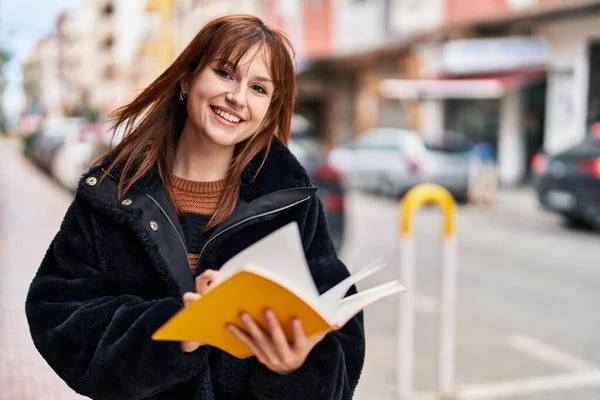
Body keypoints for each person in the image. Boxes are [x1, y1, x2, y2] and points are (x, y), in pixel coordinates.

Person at [25, 14, 365, 400]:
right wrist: (176, 330)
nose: (237, 97)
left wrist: (296, 369)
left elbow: (342, 347)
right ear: (188, 79)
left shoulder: (291, 204)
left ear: (268, 111)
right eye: (224, 73)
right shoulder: (112, 193)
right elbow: (57, 314)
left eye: (258, 88)